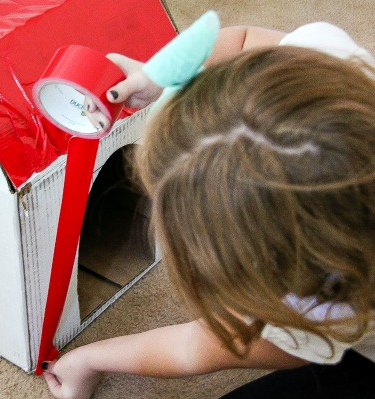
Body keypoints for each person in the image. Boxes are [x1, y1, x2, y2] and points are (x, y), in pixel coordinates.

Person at [42, 10, 375, 399]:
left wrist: (88, 359)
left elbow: (198, 348)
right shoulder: (330, 65)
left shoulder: (322, 311)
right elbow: (244, 41)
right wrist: (161, 75)